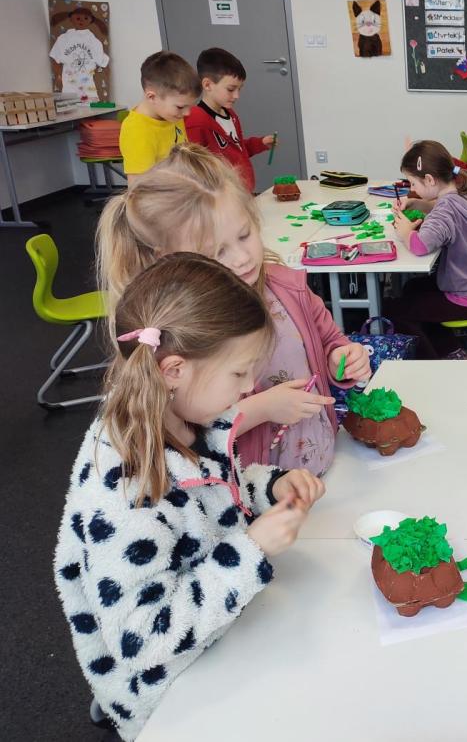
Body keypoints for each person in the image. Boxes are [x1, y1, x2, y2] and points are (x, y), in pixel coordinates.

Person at [54, 253, 326, 741]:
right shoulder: (127, 490)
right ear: (174, 369)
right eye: (239, 374)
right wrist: (251, 549)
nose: (251, 387)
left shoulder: (184, 415)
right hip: (169, 691)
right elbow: (143, 640)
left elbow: (214, 492)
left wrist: (269, 488)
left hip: (220, 628)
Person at [96, 144, 369, 474]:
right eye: (217, 252)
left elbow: (328, 341)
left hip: (317, 465)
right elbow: (175, 434)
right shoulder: (176, 332)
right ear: (168, 258)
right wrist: (262, 408)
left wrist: (341, 360)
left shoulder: (287, 286)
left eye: (244, 235)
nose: (241, 258)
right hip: (248, 487)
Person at [386, 141, 467, 359]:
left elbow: (420, 246)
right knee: (413, 288)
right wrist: (417, 203)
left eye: (413, 183)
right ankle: (450, 349)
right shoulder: (465, 191)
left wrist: (405, 231)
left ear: (430, 179)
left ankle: (438, 363)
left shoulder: (446, 210)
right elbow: (445, 208)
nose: (413, 189)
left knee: (396, 312)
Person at [184, 47, 277, 192]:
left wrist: (260, 143)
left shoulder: (231, 115)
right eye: (231, 89)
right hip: (220, 197)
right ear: (207, 84)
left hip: (242, 193)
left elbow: (236, 150)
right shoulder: (195, 120)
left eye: (240, 89)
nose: (237, 96)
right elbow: (193, 168)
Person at [119, 52, 200, 179]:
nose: (187, 113)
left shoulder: (171, 115)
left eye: (189, 106)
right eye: (180, 107)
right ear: (152, 97)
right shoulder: (137, 131)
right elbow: (139, 185)